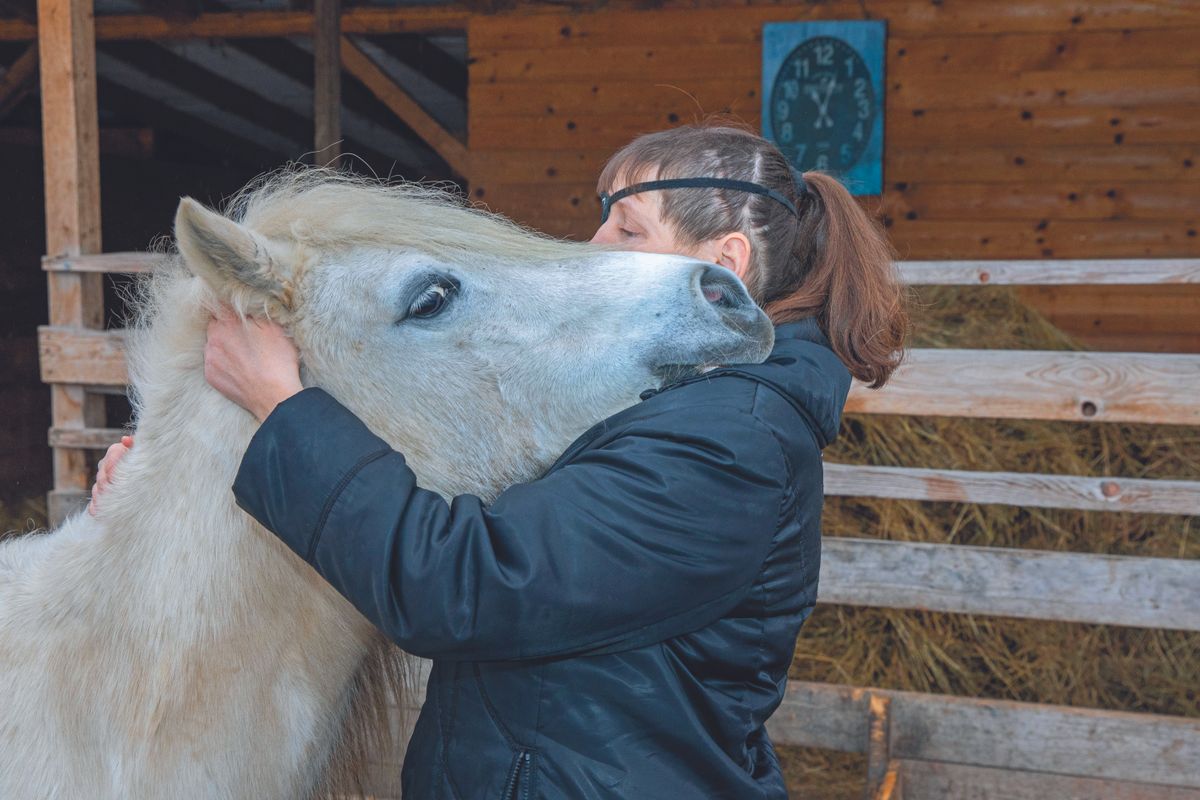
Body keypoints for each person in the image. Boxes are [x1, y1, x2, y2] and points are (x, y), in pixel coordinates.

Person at [91, 122, 907, 798]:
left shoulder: (729, 441)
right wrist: (170, 497)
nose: (590, 246)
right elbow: (471, 479)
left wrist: (283, 409)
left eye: (627, 231)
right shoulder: (665, 407)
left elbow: (470, 580)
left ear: (721, 268)